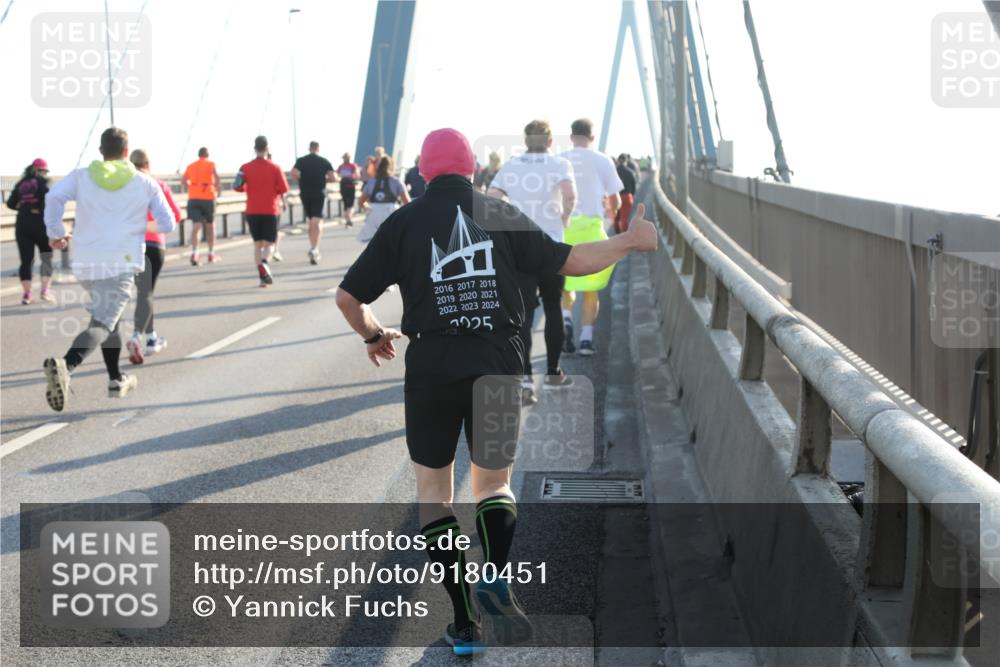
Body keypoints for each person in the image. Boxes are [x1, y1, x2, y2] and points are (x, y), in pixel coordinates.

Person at [335, 127, 657, 655]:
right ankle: (497, 576)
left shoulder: (403, 222)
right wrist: (629, 240)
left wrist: (374, 335)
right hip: (497, 360)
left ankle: (463, 624)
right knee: (493, 485)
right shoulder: (499, 213)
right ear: (470, 169)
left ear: (423, 171)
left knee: (434, 496)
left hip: (432, 365)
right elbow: (571, 260)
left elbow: (348, 298)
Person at [42, 127, 176, 411]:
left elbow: (53, 198)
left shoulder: (82, 176)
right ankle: (66, 365)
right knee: (102, 324)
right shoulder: (144, 182)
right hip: (121, 263)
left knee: (110, 320)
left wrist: (56, 232)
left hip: (86, 263)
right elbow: (168, 224)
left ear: (101, 151)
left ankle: (116, 379)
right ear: (127, 152)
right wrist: (140, 226)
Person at [487, 119, 577, 403]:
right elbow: (570, 196)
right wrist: (563, 219)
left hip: (520, 249)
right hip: (551, 244)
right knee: (553, 307)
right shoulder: (560, 164)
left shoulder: (511, 165)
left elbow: (492, 197)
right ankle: (553, 371)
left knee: (522, 315)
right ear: (550, 142)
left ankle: (525, 379)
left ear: (526, 141)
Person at [559, 119, 624, 356]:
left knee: (566, 283)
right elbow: (615, 201)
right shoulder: (602, 160)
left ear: (571, 135)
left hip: (564, 228)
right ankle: (586, 340)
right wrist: (611, 213)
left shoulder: (560, 160)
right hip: (592, 228)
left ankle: (566, 317)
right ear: (592, 137)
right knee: (591, 287)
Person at [126, 149, 181, 365]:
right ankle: (136, 336)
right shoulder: (158, 185)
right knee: (146, 293)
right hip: (154, 243)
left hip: (130, 245)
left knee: (143, 292)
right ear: (148, 164)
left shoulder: (124, 188)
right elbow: (175, 215)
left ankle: (151, 338)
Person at [234, 136, 289, 287]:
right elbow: (284, 189)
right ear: (267, 148)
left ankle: (262, 279)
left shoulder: (245, 167)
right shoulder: (275, 168)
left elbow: (237, 186)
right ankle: (265, 263)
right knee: (270, 244)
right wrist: (283, 202)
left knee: (258, 245)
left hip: (252, 210)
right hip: (270, 210)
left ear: (254, 148)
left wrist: (248, 187)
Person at [6, 158, 55, 305]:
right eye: (44, 171)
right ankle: (45, 291)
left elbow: (10, 203)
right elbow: (49, 203)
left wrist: (23, 207)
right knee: (46, 257)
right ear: (37, 170)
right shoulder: (43, 183)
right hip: (40, 224)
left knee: (26, 261)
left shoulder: (21, 184)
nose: (45, 174)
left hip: (22, 223)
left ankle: (27, 295)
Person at [291, 141, 335, 265]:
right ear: (318, 148)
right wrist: (323, 178)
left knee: (311, 220)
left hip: (305, 193)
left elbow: (293, 173)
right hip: (319, 193)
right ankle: (315, 249)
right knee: (316, 221)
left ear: (309, 148)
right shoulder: (324, 161)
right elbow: (333, 177)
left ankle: (313, 246)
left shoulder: (301, 160)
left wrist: (303, 178)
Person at [181, 147, 220, 265]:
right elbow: (217, 177)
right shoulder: (211, 164)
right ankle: (211, 253)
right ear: (207, 155)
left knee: (196, 225)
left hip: (193, 198)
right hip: (208, 197)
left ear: (199, 155)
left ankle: (195, 252)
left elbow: (183, 180)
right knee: (210, 226)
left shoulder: (191, 166)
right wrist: (217, 189)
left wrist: (191, 188)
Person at [356, 156, 409, 243]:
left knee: (372, 242)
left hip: (374, 211)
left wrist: (367, 209)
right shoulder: (396, 181)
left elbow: (361, 201)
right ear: (392, 167)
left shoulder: (371, 181)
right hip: (391, 211)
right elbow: (407, 202)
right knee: (391, 240)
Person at [614, 153, 637, 234]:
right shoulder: (630, 172)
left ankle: (617, 233)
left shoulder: (614, 171)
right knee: (624, 218)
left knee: (616, 217)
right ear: (626, 161)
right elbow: (634, 187)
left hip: (615, 196)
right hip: (626, 196)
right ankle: (624, 235)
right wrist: (632, 195)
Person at [336, 152, 361, 227]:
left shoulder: (341, 166)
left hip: (343, 185)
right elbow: (357, 175)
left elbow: (338, 175)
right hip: (350, 185)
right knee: (351, 204)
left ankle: (347, 220)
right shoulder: (353, 166)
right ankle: (349, 219)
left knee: (346, 204)